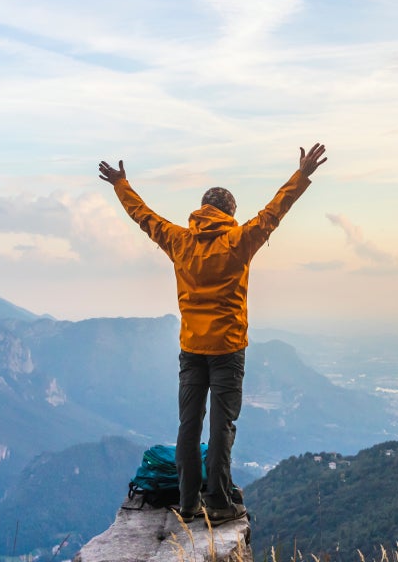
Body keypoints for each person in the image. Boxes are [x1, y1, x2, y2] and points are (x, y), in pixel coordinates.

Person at [97, 144, 327, 523]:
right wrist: (301, 175)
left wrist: (121, 184)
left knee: (189, 424)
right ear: (229, 214)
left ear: (202, 210)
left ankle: (188, 503)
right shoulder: (239, 241)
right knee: (222, 425)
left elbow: (145, 217)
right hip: (228, 350)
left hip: (191, 348)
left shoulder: (179, 240)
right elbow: (275, 211)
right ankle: (219, 503)